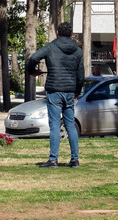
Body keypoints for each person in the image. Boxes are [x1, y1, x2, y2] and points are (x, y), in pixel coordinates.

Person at [27, 22, 84, 168]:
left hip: (54, 90)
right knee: (70, 124)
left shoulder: (51, 46)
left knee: (54, 125)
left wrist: (32, 71)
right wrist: (77, 91)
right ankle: (75, 160)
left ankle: (53, 160)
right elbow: (81, 76)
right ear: (71, 34)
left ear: (57, 32)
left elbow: (34, 58)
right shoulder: (77, 51)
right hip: (70, 91)